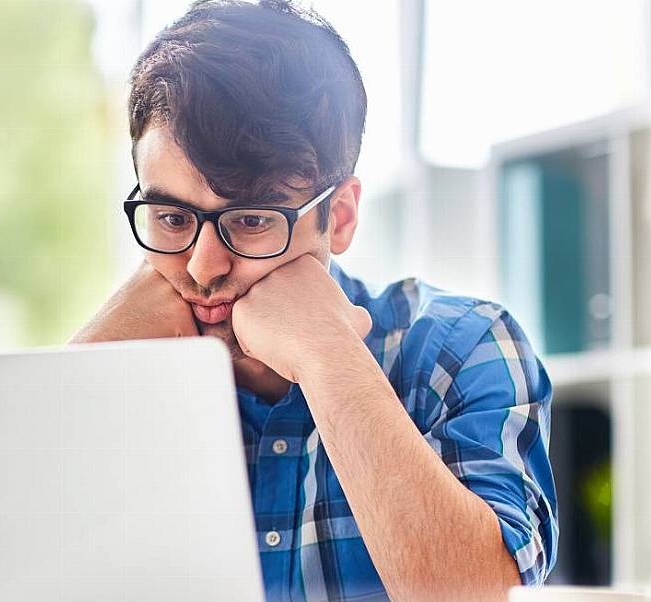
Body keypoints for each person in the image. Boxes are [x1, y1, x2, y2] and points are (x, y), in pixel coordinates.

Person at [70, 1, 559, 600]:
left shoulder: (462, 348)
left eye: (251, 221)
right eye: (171, 217)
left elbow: (484, 595)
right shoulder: (122, 356)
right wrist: (79, 378)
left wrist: (327, 356)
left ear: (341, 216)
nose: (202, 266)